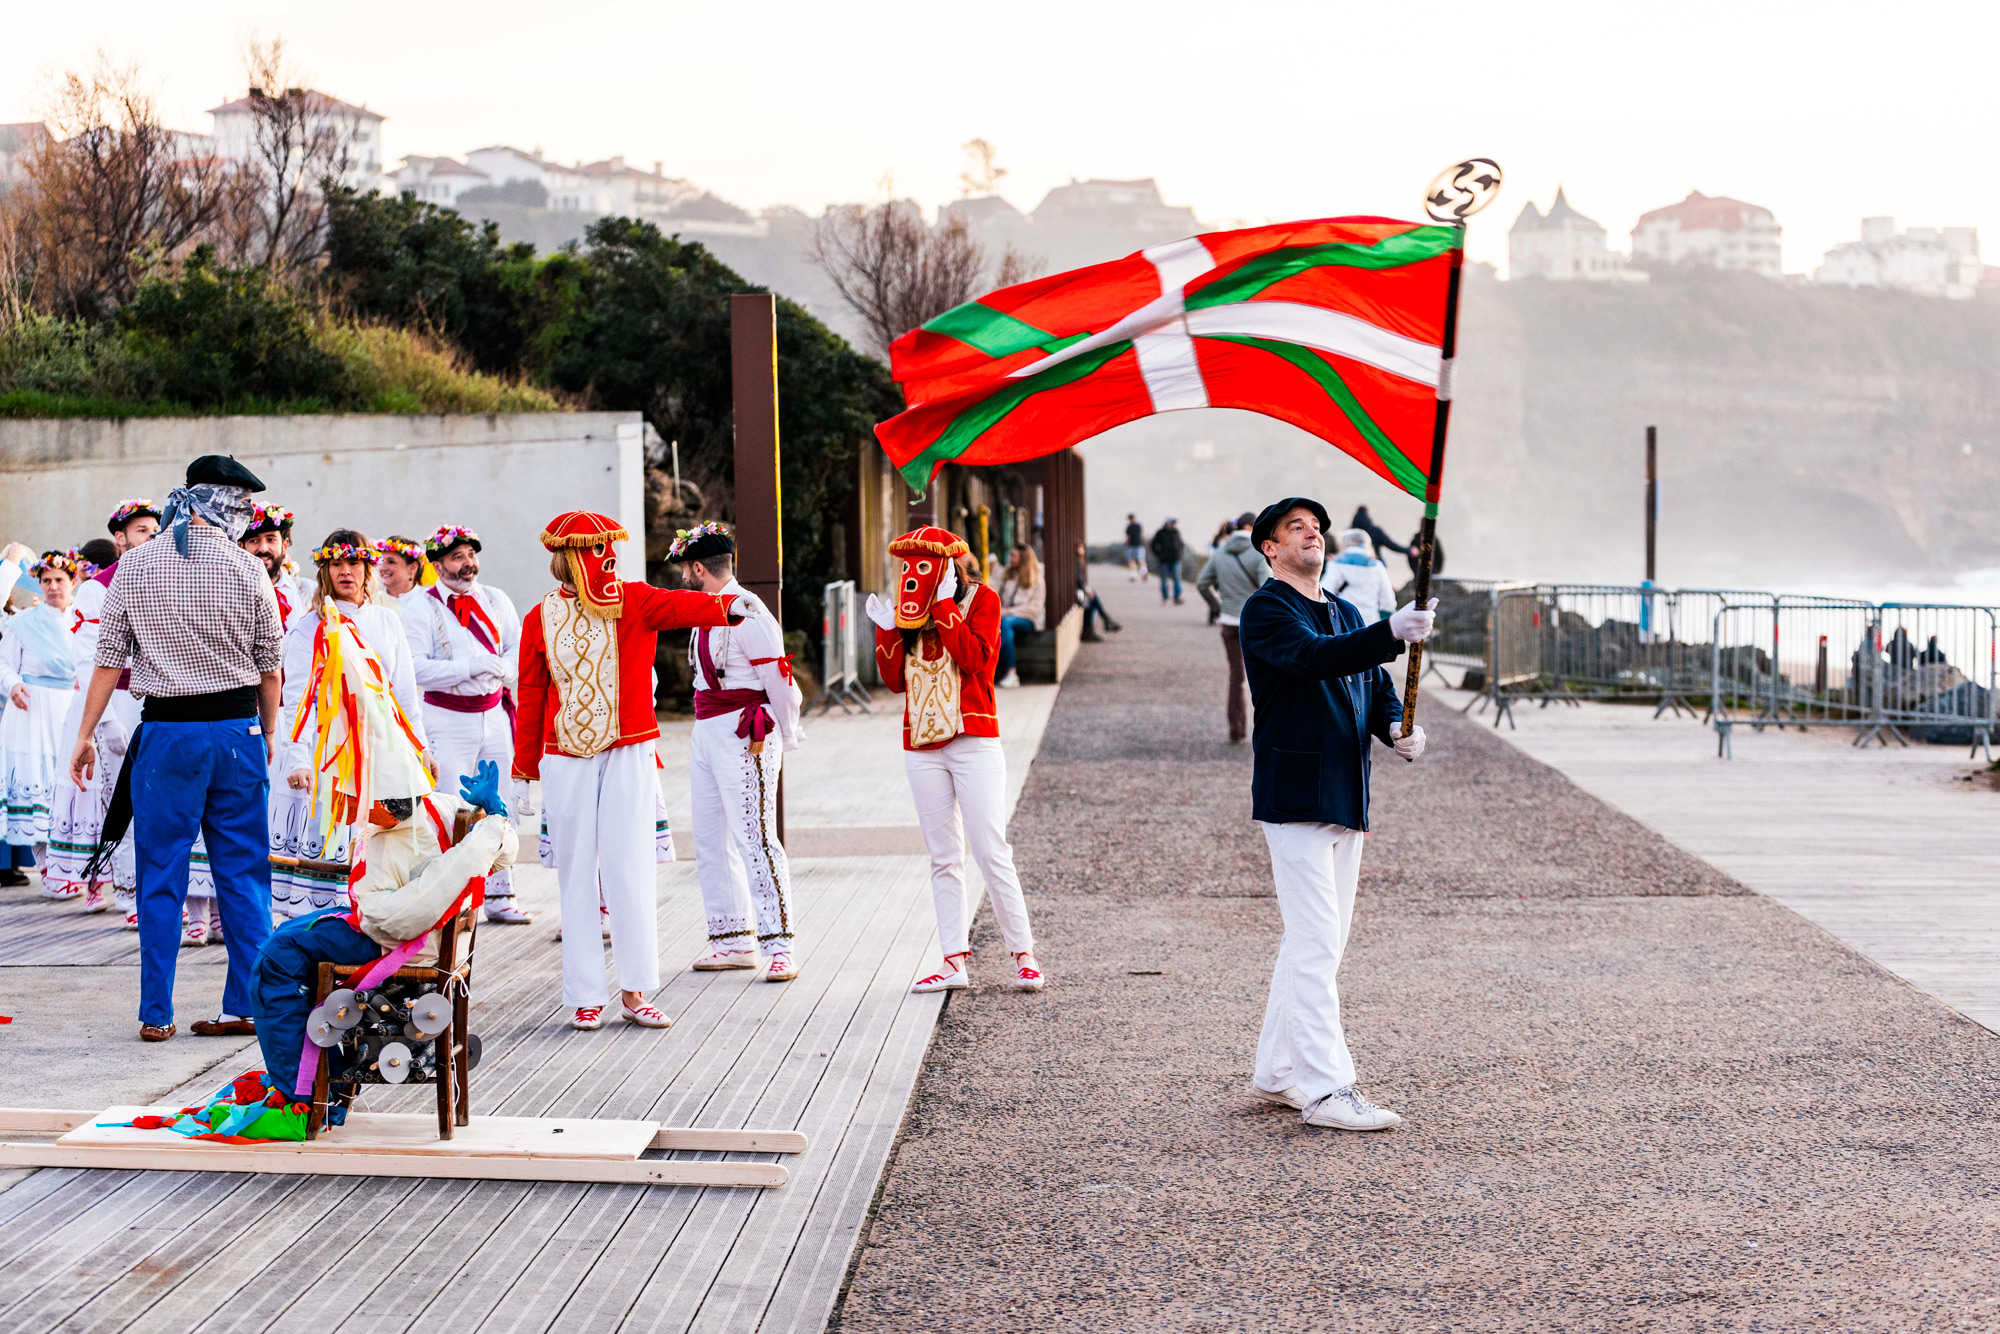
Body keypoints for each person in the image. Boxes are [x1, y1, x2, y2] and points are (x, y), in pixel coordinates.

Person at [71, 455, 284, 1043]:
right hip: (236, 731)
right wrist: (265, 733)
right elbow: (271, 670)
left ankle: (155, 1013)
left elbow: (109, 660)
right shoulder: (248, 569)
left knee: (159, 871)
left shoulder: (136, 565)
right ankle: (246, 1005)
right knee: (243, 875)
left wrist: (85, 734)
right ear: (229, 505)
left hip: (167, 734)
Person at [1238, 496, 1434, 1132]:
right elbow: (1313, 660)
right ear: (1269, 547)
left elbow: (1374, 687)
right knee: (1318, 945)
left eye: (1315, 528)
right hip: (1295, 798)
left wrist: (1398, 729)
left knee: (1314, 944)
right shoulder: (1266, 609)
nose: (1311, 535)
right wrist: (1388, 633)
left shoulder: (1346, 610)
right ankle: (1327, 1090)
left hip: (1347, 797)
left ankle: (1277, 1074)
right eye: (1296, 528)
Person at [513, 510, 741, 1031]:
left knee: (630, 867)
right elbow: (530, 692)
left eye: (607, 547)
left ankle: (636, 992)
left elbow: (679, 604)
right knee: (575, 874)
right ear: (569, 558)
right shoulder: (538, 617)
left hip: (627, 748)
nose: (606, 558)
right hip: (565, 753)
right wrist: (524, 768)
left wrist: (727, 604)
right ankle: (585, 995)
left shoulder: (632, 598)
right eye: (594, 549)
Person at [866, 527, 1042, 994]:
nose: (912, 576)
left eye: (924, 565)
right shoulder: (909, 612)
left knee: (989, 848)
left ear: (948, 566)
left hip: (973, 738)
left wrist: (944, 606)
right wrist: (886, 629)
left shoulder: (981, 600)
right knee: (944, 857)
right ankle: (952, 961)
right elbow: (894, 682)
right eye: (907, 567)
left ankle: (1023, 954)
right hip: (921, 744)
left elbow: (975, 660)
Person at [269, 531, 430, 919]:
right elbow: (297, 700)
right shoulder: (310, 627)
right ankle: (319, 939)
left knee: (383, 846)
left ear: (367, 568)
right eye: (336, 564)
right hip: (329, 754)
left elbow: (405, 694)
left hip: (383, 752)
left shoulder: (387, 622)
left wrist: (421, 749)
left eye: (353, 563)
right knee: (329, 851)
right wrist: (297, 760)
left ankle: (373, 938)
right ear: (325, 570)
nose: (345, 571)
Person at [673, 522, 803, 981]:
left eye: (683, 571)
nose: (681, 579)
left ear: (696, 568)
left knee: (755, 835)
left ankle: (780, 943)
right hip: (706, 728)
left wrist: (786, 733)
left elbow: (780, 681)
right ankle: (730, 939)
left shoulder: (748, 612)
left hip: (746, 731)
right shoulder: (705, 609)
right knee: (710, 837)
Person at [402, 524, 528, 925]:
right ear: (437, 565)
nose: (468, 563)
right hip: (446, 716)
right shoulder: (420, 607)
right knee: (451, 804)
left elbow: (516, 647)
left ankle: (501, 892)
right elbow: (415, 668)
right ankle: (452, 896)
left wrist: (504, 668)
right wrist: (469, 667)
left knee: (499, 799)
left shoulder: (496, 598)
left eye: (471, 555)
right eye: (457, 557)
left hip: (494, 713)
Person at [51, 502, 160, 924]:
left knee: (163, 802)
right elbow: (89, 661)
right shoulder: (99, 589)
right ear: (121, 537)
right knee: (125, 800)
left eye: (155, 529)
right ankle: (130, 893)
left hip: (161, 703)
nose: (150, 536)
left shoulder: (165, 578)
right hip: (117, 702)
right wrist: (107, 721)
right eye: (141, 530)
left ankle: (165, 893)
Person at [0, 551, 86, 888]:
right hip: (31, 709)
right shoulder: (21, 622)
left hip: (70, 707)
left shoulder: (83, 618)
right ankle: (49, 869)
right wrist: (14, 684)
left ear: (73, 582)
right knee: (35, 783)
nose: (52, 587)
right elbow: (5, 664)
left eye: (59, 580)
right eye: (46, 580)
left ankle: (70, 865)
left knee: (66, 783)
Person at [1195, 511, 1270, 744]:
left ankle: (1236, 730)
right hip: (1255, 627)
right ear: (1250, 527)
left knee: (1236, 678)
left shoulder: (1220, 552)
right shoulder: (1258, 554)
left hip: (1229, 624)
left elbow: (1202, 583)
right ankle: (1269, 733)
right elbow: (1268, 589)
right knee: (1267, 679)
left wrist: (1220, 607)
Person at [994, 543, 1044, 690]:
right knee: (1005, 629)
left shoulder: (1037, 580)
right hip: (1004, 618)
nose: (1010, 558)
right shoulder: (1006, 574)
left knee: (1006, 623)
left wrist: (1008, 611)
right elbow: (994, 593)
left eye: (1014, 556)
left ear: (1024, 559)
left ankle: (991, 661)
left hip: (1027, 619)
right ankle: (1011, 673)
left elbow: (1034, 609)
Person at [1322, 528, 1398, 622]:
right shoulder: (1376, 566)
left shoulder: (1335, 564)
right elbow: (1388, 600)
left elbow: (1325, 592)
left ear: (1344, 543)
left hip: (1344, 621)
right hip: (1370, 622)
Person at [1075, 541, 1119, 642]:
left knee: (1092, 601)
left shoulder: (1079, 561)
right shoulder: (1076, 562)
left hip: (1080, 593)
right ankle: (1104, 621)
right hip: (1077, 594)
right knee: (1092, 601)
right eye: (1081, 548)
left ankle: (1092, 629)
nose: (1083, 550)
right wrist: (1087, 591)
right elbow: (1078, 580)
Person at [375, 535, 428, 604]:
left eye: (391, 562)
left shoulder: (430, 600)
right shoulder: (372, 602)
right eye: (381, 561)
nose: (383, 568)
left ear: (413, 567)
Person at [1149, 517, 1186, 605]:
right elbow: (1153, 544)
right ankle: (1165, 597)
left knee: (1177, 578)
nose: (1173, 525)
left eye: (1174, 523)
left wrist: (1180, 553)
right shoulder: (1160, 532)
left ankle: (1177, 597)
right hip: (1164, 560)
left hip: (1175, 559)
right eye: (1172, 523)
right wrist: (1159, 555)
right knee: (1164, 580)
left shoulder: (1176, 532)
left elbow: (1181, 544)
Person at [1123, 514, 1147, 581]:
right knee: (1141, 559)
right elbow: (1142, 535)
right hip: (1140, 545)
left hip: (1132, 545)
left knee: (1131, 560)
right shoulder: (1139, 526)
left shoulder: (1129, 527)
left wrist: (1126, 544)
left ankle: (1133, 575)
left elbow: (1128, 537)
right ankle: (1144, 572)